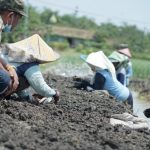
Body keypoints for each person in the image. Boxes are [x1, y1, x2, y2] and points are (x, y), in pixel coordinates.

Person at [0, 0, 60, 104]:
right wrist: (54, 93)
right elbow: (39, 85)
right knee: (9, 78)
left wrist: (28, 98)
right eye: (18, 20)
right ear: (11, 15)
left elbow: (21, 89)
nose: (17, 24)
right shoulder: (30, 63)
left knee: (18, 79)